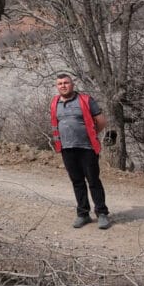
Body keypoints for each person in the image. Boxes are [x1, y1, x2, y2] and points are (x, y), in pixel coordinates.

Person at [51, 73, 110, 230]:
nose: (63, 85)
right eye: (60, 83)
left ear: (72, 84)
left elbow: (101, 121)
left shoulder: (85, 100)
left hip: (87, 148)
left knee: (93, 181)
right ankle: (83, 214)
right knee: (77, 181)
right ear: (57, 86)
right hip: (67, 148)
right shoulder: (55, 102)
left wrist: (91, 134)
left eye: (66, 82)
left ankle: (102, 213)